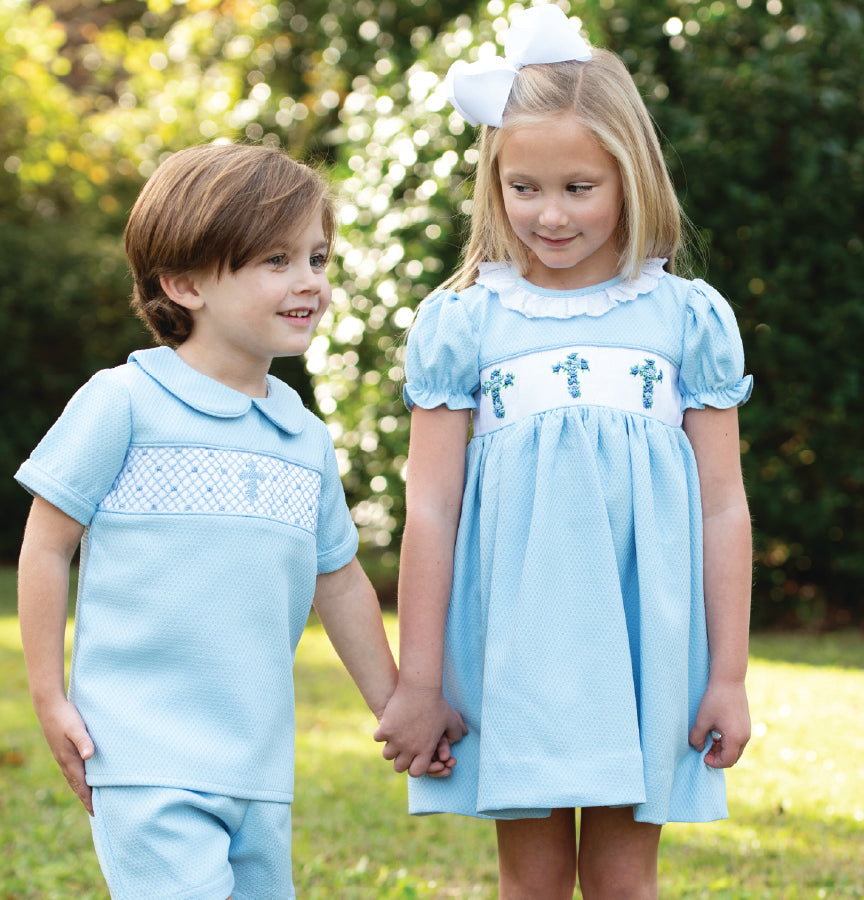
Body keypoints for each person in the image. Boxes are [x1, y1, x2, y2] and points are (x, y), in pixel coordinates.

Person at [374, 6, 753, 898]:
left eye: (579, 187)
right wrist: (420, 682)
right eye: (523, 187)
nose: (549, 214)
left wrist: (728, 674)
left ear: (630, 174)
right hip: (516, 645)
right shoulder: (465, 322)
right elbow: (430, 507)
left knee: (625, 881)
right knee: (532, 881)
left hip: (644, 649)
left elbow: (721, 504)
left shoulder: (685, 318)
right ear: (493, 183)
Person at [16, 142, 410, 900]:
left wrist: (396, 707)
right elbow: (46, 544)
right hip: (140, 751)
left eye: (318, 258)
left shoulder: (305, 437)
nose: (309, 283)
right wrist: (48, 692)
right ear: (184, 282)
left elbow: (340, 580)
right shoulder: (123, 401)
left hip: (257, 767)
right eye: (275, 260)